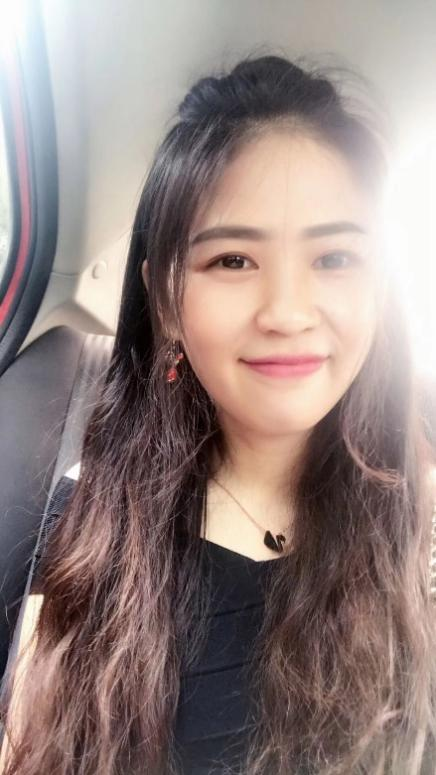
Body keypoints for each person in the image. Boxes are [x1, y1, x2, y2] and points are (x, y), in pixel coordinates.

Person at [1, 51, 436, 775]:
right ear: (166, 301)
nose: (288, 312)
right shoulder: (87, 524)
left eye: (334, 258)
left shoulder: (421, 526)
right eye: (233, 260)